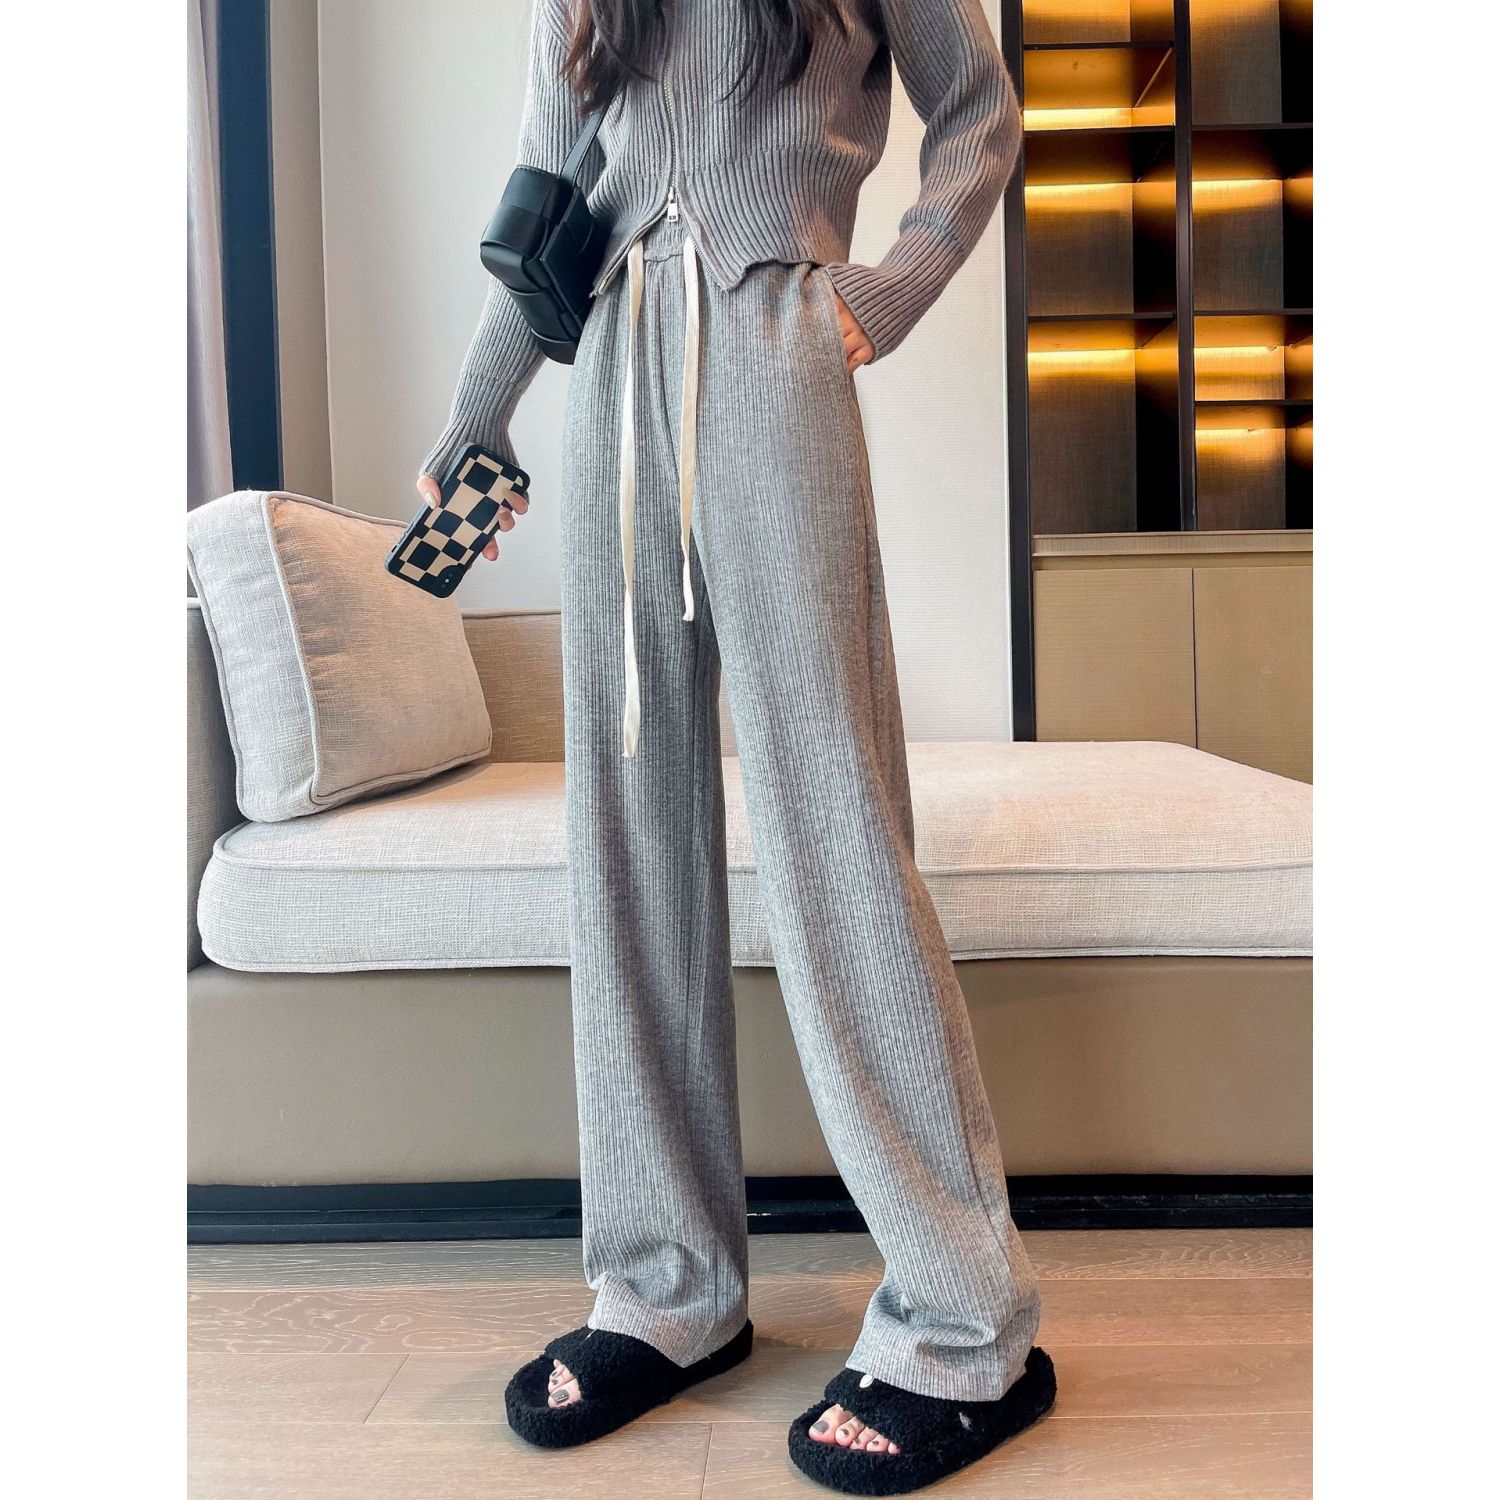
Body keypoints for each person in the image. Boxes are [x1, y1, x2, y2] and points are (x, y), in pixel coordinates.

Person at [418, 2, 1052, 1491]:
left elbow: (979, 111)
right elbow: (550, 203)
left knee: (837, 831)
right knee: (627, 848)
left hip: (775, 360)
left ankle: (966, 1322)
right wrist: (474, 418)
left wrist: (879, 297)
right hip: (611, 389)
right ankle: (666, 1287)